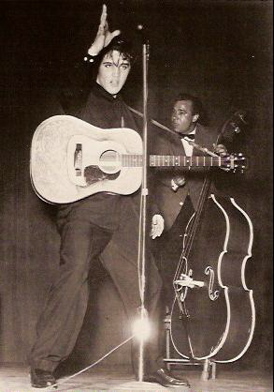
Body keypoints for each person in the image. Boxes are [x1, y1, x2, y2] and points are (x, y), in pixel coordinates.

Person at [29, 5, 190, 389]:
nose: (115, 73)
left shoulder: (135, 119)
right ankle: (43, 366)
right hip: (85, 209)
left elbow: (139, 171)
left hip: (124, 211)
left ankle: (150, 367)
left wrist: (153, 212)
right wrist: (92, 51)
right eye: (108, 64)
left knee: (149, 283)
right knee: (73, 279)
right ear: (98, 68)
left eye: (123, 66)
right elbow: (67, 89)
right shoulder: (82, 98)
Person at [152, 93, 227, 305]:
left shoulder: (212, 138)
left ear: (195, 117)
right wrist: (174, 182)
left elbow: (222, 178)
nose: (174, 117)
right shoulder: (162, 138)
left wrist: (221, 160)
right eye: (174, 112)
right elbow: (156, 175)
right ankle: (170, 311)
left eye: (182, 112)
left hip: (202, 208)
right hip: (172, 212)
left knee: (203, 263)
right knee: (169, 265)